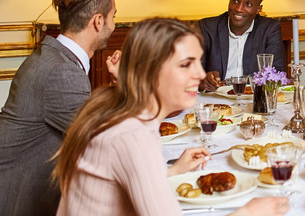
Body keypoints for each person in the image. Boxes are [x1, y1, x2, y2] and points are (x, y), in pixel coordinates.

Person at [54, 18, 289, 216]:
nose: (199, 74)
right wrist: (247, 212)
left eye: (198, 61)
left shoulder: (129, 116)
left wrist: (173, 171)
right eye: (186, 64)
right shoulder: (131, 134)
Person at [0, 0, 117, 216]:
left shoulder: (54, 56)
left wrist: (116, 86)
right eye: (113, 17)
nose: (114, 24)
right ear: (98, 21)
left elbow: (88, 116)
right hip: (23, 203)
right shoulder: (62, 71)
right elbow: (106, 142)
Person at [199, 0, 285, 92]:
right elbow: (191, 74)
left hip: (253, 99)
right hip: (216, 99)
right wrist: (203, 81)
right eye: (235, 1)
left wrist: (230, 82)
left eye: (248, 4)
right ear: (229, 1)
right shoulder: (207, 27)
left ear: (259, 9)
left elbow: (276, 73)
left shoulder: (269, 29)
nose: (239, 9)